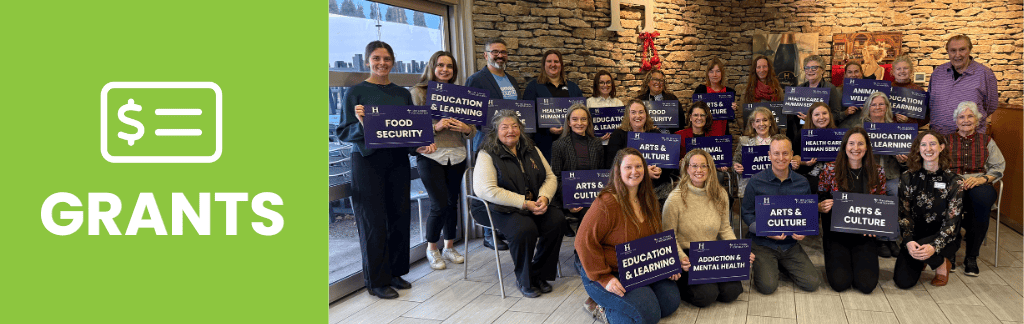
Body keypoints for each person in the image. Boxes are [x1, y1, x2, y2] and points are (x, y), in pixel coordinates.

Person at [336, 41, 437, 299]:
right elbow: (344, 132)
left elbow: (407, 130)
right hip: (367, 163)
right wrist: (362, 124)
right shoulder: (355, 93)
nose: (382, 63)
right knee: (373, 223)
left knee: (399, 217)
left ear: (393, 62)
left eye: (387, 59)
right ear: (368, 61)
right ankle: (377, 281)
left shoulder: (401, 94)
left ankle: (395, 272)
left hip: (396, 162)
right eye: (377, 58)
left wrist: (420, 146)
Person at [576, 148, 681, 324]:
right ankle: (600, 308)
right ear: (618, 171)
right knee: (648, 315)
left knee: (670, 303)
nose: (635, 171)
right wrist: (604, 278)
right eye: (628, 167)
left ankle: (633, 299)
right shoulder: (606, 203)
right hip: (606, 271)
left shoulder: (648, 198)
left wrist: (668, 264)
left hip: (638, 268)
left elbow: (657, 236)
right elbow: (582, 242)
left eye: (639, 166)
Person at [471, 110, 566, 298]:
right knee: (524, 229)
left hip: (532, 202)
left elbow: (550, 177)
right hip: (497, 208)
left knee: (557, 221)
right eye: (504, 127)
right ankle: (524, 278)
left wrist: (544, 198)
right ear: (496, 131)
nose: (510, 131)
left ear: (521, 129)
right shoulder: (487, 153)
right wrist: (524, 203)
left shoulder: (532, 149)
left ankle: (538, 273)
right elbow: (486, 190)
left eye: (514, 126)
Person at [663, 149, 753, 307]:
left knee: (732, 291)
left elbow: (725, 228)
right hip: (687, 254)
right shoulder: (674, 199)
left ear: (710, 168)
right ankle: (680, 285)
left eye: (704, 166)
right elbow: (669, 236)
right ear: (687, 168)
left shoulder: (720, 194)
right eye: (694, 166)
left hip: (711, 252)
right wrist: (681, 258)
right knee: (706, 296)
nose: (699, 170)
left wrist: (740, 252)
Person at [410, 51, 473, 270]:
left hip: (456, 154)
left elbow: (472, 129)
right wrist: (434, 128)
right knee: (438, 204)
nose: (445, 69)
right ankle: (432, 249)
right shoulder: (418, 92)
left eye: (449, 66)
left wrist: (467, 129)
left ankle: (449, 246)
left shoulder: (461, 94)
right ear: (432, 67)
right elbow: (412, 127)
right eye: (440, 65)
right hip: (431, 156)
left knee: (451, 203)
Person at [742, 134, 821, 294]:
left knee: (812, 283)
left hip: (790, 244)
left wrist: (804, 232)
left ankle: (782, 265)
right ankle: (770, 264)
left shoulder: (802, 182)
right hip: (762, 243)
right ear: (769, 155)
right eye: (776, 153)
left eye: (785, 153)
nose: (781, 157)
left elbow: (808, 215)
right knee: (768, 287)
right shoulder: (756, 181)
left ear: (792, 155)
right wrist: (765, 231)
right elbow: (747, 214)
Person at [815, 127, 886, 293]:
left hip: (864, 234)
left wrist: (876, 227)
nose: (856, 148)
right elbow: (820, 197)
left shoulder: (878, 172)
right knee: (840, 284)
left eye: (860, 143)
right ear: (844, 146)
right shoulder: (830, 169)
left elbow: (882, 203)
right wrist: (820, 206)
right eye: (851, 143)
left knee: (866, 285)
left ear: (867, 147)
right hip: (836, 234)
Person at [466, 38, 520, 251]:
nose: (500, 55)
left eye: (503, 52)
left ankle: (504, 228)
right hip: (486, 142)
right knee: (488, 186)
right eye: (495, 51)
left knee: (506, 184)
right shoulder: (476, 80)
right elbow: (471, 112)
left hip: (509, 142)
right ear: (486, 55)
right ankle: (489, 234)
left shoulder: (512, 80)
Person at [894, 130, 963, 288]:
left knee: (928, 249)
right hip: (915, 235)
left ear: (941, 147)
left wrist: (934, 246)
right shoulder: (907, 177)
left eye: (933, 144)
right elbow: (903, 214)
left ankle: (941, 263)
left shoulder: (954, 181)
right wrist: (909, 240)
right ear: (918, 149)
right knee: (903, 282)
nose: (928, 149)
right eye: (923, 144)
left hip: (942, 237)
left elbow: (952, 222)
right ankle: (922, 258)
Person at [946, 101, 1005, 277]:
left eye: (970, 116)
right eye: (961, 117)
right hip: (952, 183)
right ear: (956, 121)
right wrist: (953, 180)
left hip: (978, 182)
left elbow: (998, 167)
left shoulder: (987, 141)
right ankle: (950, 252)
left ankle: (971, 256)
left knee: (982, 200)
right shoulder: (944, 140)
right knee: (947, 200)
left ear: (977, 120)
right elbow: (936, 165)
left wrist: (982, 179)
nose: (966, 120)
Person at [857, 92, 907, 257]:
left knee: (894, 196)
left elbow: (907, 161)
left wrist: (902, 159)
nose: (877, 107)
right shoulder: (861, 128)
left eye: (881, 104)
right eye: (873, 104)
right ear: (868, 108)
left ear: (887, 107)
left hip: (892, 174)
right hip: (869, 174)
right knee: (875, 199)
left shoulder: (896, 129)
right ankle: (879, 240)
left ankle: (891, 239)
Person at [550, 104, 605, 237]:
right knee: (589, 212)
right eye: (575, 119)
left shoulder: (597, 143)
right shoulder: (559, 145)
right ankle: (580, 251)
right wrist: (569, 202)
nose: (579, 123)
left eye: (583, 119)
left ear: (588, 122)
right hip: (570, 196)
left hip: (592, 194)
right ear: (568, 122)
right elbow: (556, 177)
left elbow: (602, 174)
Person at [606, 99, 676, 203]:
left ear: (646, 115)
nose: (637, 116)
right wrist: (644, 173)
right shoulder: (618, 135)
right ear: (627, 115)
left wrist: (660, 170)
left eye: (641, 112)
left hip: (656, 188)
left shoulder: (655, 133)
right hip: (629, 188)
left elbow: (667, 163)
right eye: (633, 112)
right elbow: (612, 165)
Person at [928, 35, 999, 135]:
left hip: (971, 140)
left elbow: (991, 106)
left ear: (969, 50)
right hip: (938, 140)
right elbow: (931, 103)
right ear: (948, 52)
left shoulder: (985, 74)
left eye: (962, 49)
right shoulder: (937, 73)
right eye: (953, 50)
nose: (957, 55)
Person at [524, 49, 584, 162]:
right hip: (543, 143)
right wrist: (547, 127)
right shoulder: (533, 87)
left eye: (556, 61)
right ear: (544, 65)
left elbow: (581, 112)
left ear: (561, 65)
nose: (553, 64)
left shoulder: (573, 88)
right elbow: (527, 116)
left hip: (570, 143)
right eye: (549, 61)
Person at [792, 55, 842, 145]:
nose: (810, 71)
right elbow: (795, 116)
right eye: (807, 68)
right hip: (803, 132)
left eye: (814, 68)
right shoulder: (800, 88)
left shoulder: (830, 88)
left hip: (824, 134)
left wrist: (814, 119)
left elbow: (836, 115)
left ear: (822, 70)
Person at [733, 107, 781, 196]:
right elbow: (735, 161)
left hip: (775, 186)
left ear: (770, 122)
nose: (761, 124)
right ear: (753, 124)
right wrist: (736, 167)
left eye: (765, 120)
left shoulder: (779, 141)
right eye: (757, 121)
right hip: (750, 186)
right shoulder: (744, 141)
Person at [793, 102, 838, 192]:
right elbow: (794, 157)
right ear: (811, 117)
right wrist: (804, 163)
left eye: (824, 113)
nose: (821, 117)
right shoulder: (802, 134)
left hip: (831, 179)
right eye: (817, 114)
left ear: (830, 115)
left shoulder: (837, 134)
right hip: (807, 177)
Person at [692, 57, 740, 136]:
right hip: (703, 135)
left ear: (722, 73)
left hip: (723, 135)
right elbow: (694, 114)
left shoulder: (729, 92)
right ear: (708, 74)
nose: (714, 75)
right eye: (711, 71)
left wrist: (733, 109)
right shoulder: (700, 90)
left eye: (718, 71)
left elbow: (730, 118)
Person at [740, 55, 783, 131]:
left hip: (774, 133)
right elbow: (742, 115)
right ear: (755, 69)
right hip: (754, 133)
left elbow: (783, 114)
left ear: (769, 68)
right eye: (758, 67)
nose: (762, 70)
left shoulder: (778, 90)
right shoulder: (747, 91)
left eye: (764, 66)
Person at [636, 69, 681, 134]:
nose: (658, 82)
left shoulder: (672, 99)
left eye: (661, 80)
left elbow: (681, 122)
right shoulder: (640, 100)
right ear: (648, 82)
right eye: (655, 79)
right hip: (646, 137)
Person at [890, 55, 929, 127]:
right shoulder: (887, 89)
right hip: (889, 133)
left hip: (910, 133)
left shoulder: (919, 90)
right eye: (898, 69)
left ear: (911, 71)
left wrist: (909, 121)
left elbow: (926, 117)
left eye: (905, 68)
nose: (902, 71)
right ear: (893, 72)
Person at [587, 70, 623, 144]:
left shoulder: (619, 103)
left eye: (608, 82)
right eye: (601, 82)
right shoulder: (589, 103)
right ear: (596, 84)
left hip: (615, 145)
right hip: (595, 145)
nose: (605, 85)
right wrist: (597, 139)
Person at [836, 62, 865, 129]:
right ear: (845, 74)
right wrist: (845, 113)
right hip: (844, 129)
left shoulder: (869, 91)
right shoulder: (838, 91)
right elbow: (833, 117)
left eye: (856, 72)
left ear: (861, 73)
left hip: (864, 129)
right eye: (850, 72)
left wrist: (867, 110)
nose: (853, 75)